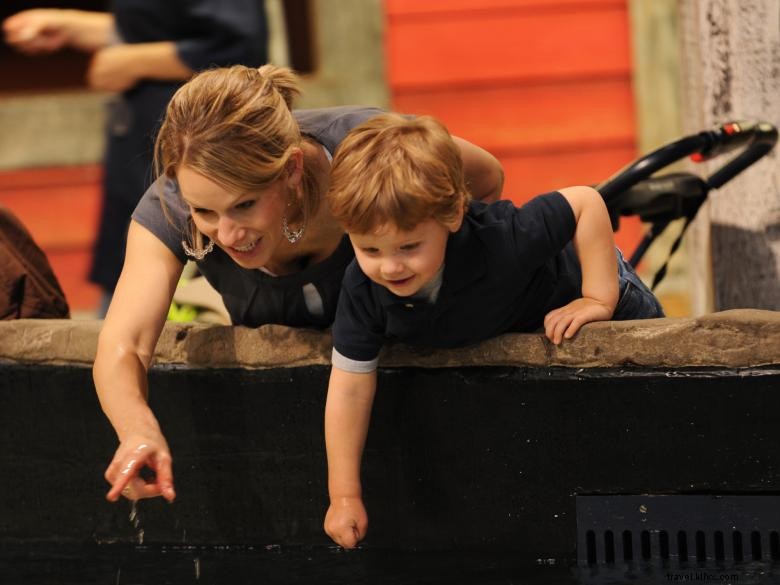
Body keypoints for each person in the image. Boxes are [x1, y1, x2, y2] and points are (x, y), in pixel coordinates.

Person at [92, 65, 505, 503]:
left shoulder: (371, 149)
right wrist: (137, 428)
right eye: (206, 212)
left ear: (291, 169)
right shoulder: (171, 205)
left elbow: (486, 178)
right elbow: (124, 344)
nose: (228, 234)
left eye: (245, 204)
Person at [322, 113, 664, 548]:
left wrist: (598, 298)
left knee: (654, 384)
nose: (389, 266)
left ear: (452, 214)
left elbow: (585, 203)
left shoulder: (503, 240)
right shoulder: (362, 287)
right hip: (510, 320)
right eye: (369, 248)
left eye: (409, 247)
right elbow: (349, 386)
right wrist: (343, 494)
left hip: (593, 291)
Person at [2, 4, 268, 314]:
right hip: (137, 165)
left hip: (191, 163)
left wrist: (131, 63)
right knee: (121, 310)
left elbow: (238, 44)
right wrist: (76, 27)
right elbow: (160, 24)